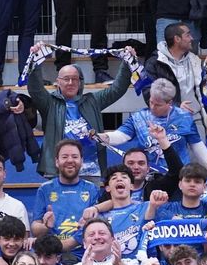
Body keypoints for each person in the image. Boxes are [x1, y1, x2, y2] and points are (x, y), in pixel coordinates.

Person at [22, 48, 134, 180]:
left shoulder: (92, 101)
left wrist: (127, 62)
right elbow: (35, 88)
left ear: (80, 82)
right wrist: (36, 59)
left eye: (74, 79)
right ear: (58, 82)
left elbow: (117, 89)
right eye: (66, 79)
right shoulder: (50, 103)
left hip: (91, 170)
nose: (70, 83)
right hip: (58, 172)